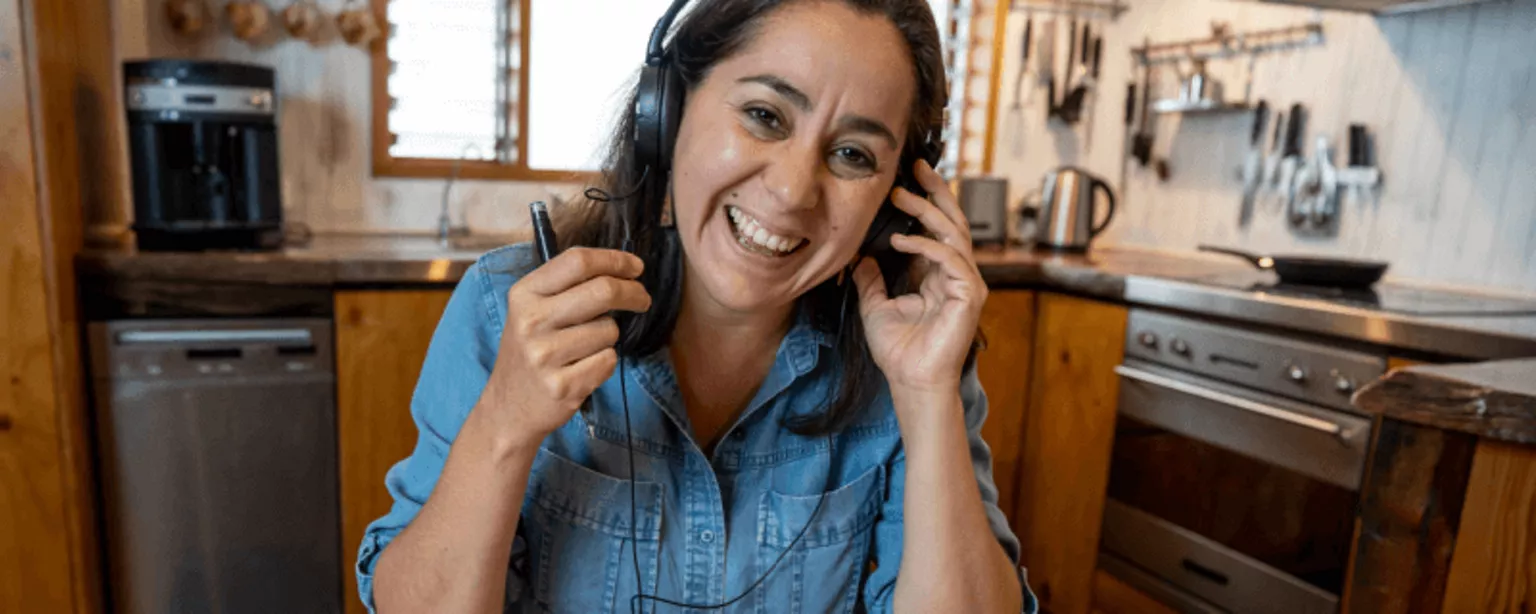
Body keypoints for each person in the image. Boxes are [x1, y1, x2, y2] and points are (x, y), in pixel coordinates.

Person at [356, 0, 1039, 612]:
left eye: (853, 154)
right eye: (765, 116)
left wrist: (926, 398)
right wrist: (504, 424)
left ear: (894, 198)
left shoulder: (913, 351)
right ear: (668, 112)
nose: (795, 190)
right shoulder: (506, 309)